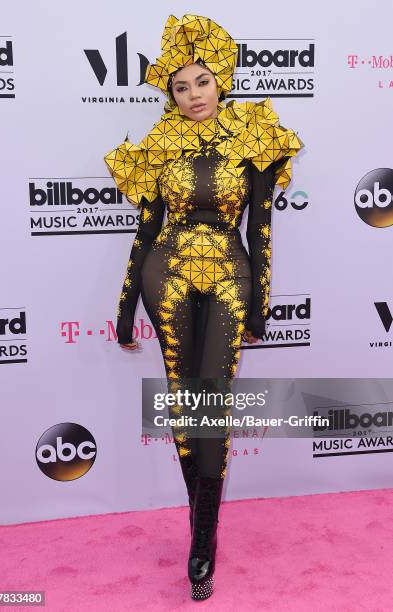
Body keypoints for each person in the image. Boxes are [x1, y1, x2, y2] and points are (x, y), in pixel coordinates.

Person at [105, 13, 303, 601]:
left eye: (203, 82)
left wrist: (261, 302)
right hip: (163, 273)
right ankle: (203, 531)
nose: (193, 96)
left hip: (228, 274)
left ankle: (202, 539)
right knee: (182, 399)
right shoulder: (158, 145)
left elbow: (261, 231)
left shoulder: (256, 136)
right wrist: (122, 307)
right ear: (170, 93)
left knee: (210, 398)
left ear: (223, 80)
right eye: (181, 86)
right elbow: (145, 231)